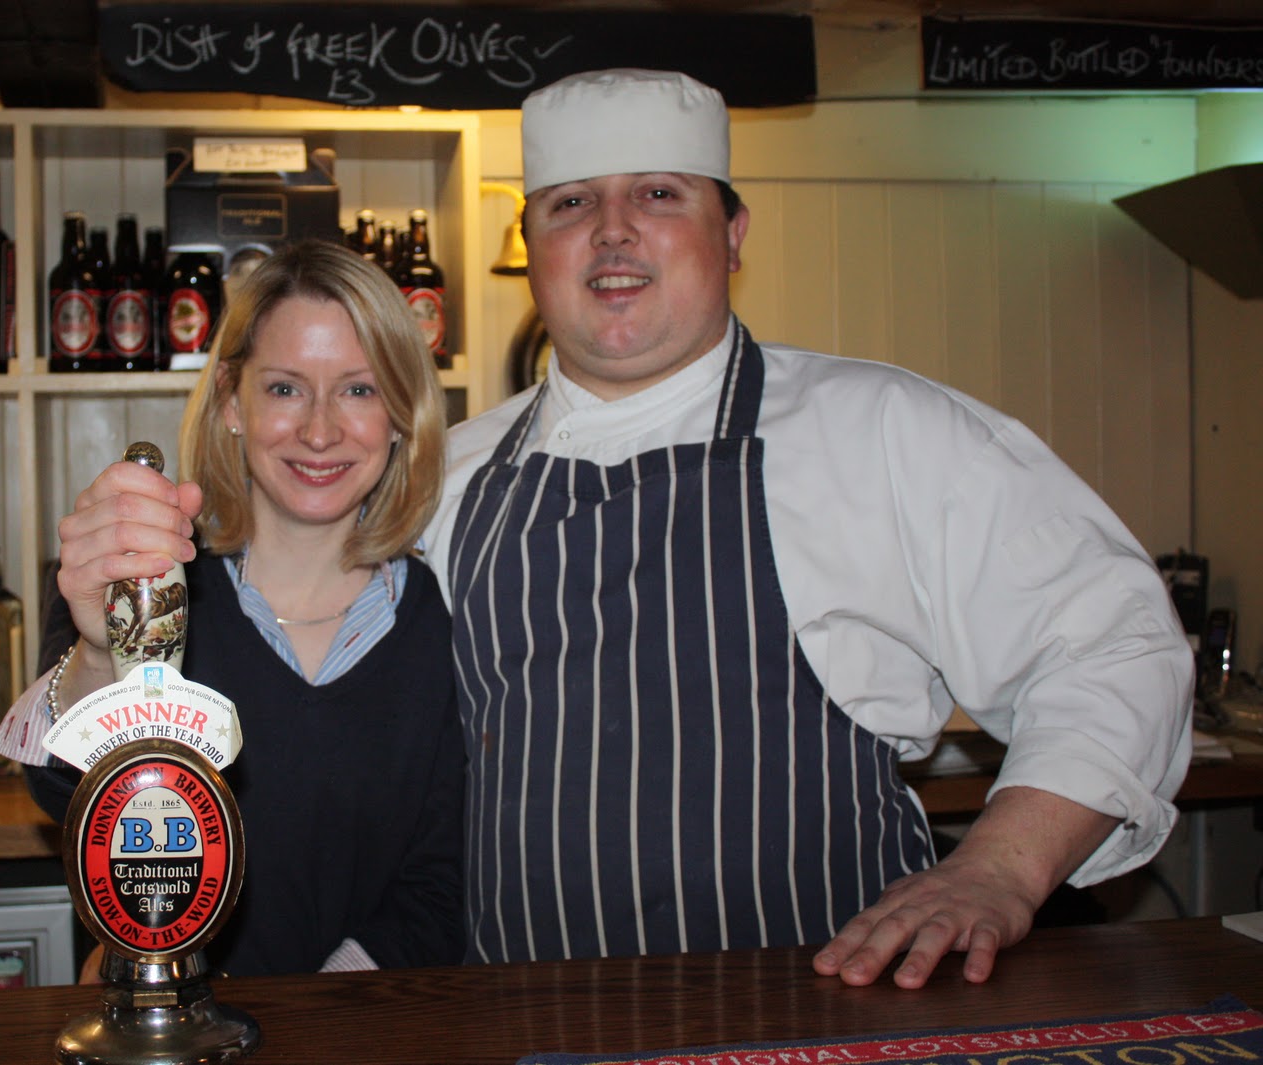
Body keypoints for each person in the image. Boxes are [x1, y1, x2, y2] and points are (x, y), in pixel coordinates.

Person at [422, 69, 1193, 988]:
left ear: (734, 233)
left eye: (660, 194)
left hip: (834, 1013)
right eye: (571, 203)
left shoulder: (883, 430)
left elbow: (1116, 640)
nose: (613, 230)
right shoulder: (443, 478)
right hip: (519, 1016)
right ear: (532, 243)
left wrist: (1000, 867)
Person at [0, 238, 465, 976]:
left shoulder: (434, 618)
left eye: (359, 389)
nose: (318, 429)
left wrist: (312, 1023)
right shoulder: (145, 581)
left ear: (403, 414)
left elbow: (438, 887)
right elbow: (59, 787)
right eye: (283, 388)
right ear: (230, 402)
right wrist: (97, 651)